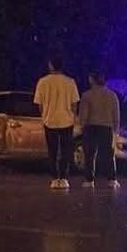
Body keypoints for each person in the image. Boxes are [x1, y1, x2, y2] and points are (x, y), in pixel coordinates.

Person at [33, 57, 79, 189]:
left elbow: (39, 104)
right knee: (65, 151)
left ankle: (54, 178)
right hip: (66, 121)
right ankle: (64, 178)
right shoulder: (70, 82)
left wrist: (44, 115)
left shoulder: (42, 82)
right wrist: (73, 116)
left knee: (52, 151)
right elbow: (74, 104)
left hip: (50, 120)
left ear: (51, 66)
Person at [78, 71, 121, 189]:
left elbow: (84, 113)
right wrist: (116, 129)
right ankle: (112, 179)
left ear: (92, 80)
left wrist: (82, 125)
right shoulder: (112, 95)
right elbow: (116, 113)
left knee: (90, 154)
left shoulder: (87, 95)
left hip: (91, 126)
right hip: (107, 126)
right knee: (109, 154)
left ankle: (89, 179)